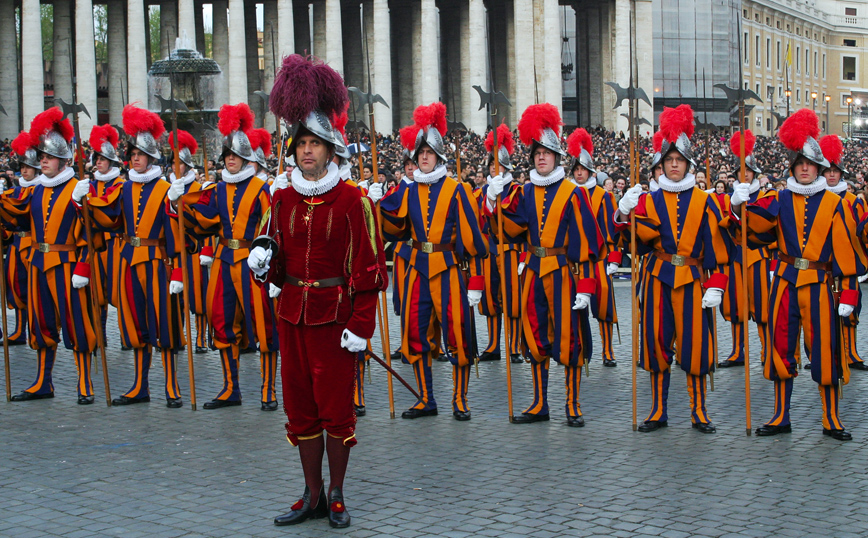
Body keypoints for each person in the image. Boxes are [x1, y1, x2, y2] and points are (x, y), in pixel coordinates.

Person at [250, 54, 387, 529]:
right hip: (292, 315)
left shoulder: (354, 200)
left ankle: (336, 494)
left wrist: (361, 326)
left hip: (335, 320)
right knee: (300, 409)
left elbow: (369, 270)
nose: (307, 151)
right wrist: (263, 266)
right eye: (301, 144)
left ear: (331, 150)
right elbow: (275, 258)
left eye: (316, 144)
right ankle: (309, 493)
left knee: (335, 411)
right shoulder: (281, 196)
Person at [735, 109, 866, 440]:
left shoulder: (836, 206)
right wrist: (740, 207)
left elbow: (846, 255)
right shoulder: (778, 199)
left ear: (820, 167)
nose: (805, 168)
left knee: (826, 351)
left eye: (810, 164)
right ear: (792, 167)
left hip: (821, 286)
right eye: (799, 163)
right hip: (784, 284)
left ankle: (831, 418)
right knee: (780, 348)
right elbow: (755, 232)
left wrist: (849, 295)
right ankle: (781, 415)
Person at [616, 104, 730, 434]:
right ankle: (657, 409)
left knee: (696, 345)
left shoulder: (704, 200)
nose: (675, 165)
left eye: (679, 160)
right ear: (661, 165)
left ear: (688, 164)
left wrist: (717, 284)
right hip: (657, 278)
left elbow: (719, 248)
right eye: (669, 160)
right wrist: (624, 215)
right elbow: (631, 245)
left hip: (694, 279)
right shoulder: (647, 200)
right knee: (655, 343)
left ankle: (699, 410)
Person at [488, 104, 604, 427]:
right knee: (534, 336)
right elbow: (508, 228)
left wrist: (586, 288)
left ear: (557, 157)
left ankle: (572, 403)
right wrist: (493, 201)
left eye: (547, 152)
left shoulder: (573, 193)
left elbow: (587, 245)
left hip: (564, 274)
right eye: (537, 152)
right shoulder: (525, 191)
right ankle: (540, 403)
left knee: (569, 338)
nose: (541, 157)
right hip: (534, 273)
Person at [371, 102, 488, 421]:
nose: (423, 157)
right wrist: (376, 203)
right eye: (419, 153)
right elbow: (394, 229)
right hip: (415, 272)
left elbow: (473, 242)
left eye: (429, 152)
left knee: (458, 333)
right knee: (415, 332)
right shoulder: (406, 191)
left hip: (448, 269)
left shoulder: (457, 190)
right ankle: (426, 397)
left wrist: (475, 284)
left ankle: (460, 398)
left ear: (439, 156)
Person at [169, 103, 279, 411]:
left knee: (263, 324)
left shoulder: (261, 189)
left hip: (252, 262)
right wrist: (180, 202)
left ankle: (269, 389)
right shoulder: (216, 190)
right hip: (222, 260)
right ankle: (231, 388)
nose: (231, 160)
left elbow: (273, 225)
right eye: (227, 155)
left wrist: (266, 251)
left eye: (236, 156)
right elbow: (203, 221)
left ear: (245, 158)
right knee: (222, 321)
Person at [75, 105, 185, 408]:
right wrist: (81, 201)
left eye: (140, 154)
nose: (134, 158)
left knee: (164, 322)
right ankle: (140, 386)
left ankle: (172, 386)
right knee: (134, 324)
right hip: (128, 262)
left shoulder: (165, 189)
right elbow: (107, 218)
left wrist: (177, 272)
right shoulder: (123, 189)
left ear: (151, 157)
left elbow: (175, 232)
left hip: (156, 262)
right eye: (132, 154)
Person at [0, 108, 97, 404]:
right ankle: (44, 381)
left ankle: (84, 382)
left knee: (76, 322)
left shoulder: (76, 188)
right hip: (38, 264)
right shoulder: (37, 189)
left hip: (68, 265)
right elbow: (14, 213)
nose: (42, 160)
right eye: (41, 155)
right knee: (41, 323)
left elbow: (91, 236)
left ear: (64, 161)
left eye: (49, 157)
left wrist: (83, 267)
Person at [566, 127, 620, 367]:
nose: (579, 173)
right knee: (575, 306)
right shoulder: (566, 194)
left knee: (603, 305)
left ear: (590, 172)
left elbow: (610, 228)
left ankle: (607, 350)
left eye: (583, 170)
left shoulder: (603, 195)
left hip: (598, 259)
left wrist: (613, 258)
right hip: (575, 261)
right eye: (576, 169)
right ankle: (579, 348)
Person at [718, 130, 770, 369]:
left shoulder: (766, 196)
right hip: (736, 255)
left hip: (760, 256)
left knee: (763, 307)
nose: (744, 175)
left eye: (748, 171)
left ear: (755, 174)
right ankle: (738, 351)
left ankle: (766, 350)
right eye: (741, 171)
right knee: (735, 306)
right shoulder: (728, 198)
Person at [819, 134, 868, 371]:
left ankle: (852, 354)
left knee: (850, 312)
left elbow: (863, 233)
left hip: (847, 265)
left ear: (841, 174)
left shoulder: (853, 201)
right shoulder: (815, 201)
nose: (831, 174)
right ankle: (828, 354)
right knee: (824, 312)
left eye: (835, 171)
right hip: (823, 267)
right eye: (827, 170)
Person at [475, 124, 523, 364]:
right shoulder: (480, 192)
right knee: (490, 300)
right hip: (489, 252)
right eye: (492, 166)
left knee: (512, 300)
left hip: (511, 251)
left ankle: (514, 346)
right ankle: (493, 345)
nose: (495, 169)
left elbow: (518, 221)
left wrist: (496, 200)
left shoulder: (516, 190)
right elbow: (477, 221)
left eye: (499, 166)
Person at [168, 129, 210, 355]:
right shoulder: (169, 189)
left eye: (180, 164)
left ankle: (201, 337)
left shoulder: (198, 189)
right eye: (173, 163)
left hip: (195, 250)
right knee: (176, 297)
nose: (176, 168)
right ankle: (178, 335)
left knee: (199, 296)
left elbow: (206, 221)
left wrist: (208, 250)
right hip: (175, 251)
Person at [86, 124, 125, 345]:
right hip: (96, 245)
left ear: (111, 162)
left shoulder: (120, 184)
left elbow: (110, 208)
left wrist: (88, 201)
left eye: (102, 159)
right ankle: (99, 333)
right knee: (96, 290)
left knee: (119, 290)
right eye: (96, 159)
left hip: (115, 244)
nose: (98, 162)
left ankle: (124, 333)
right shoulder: (90, 185)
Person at [4, 130, 42, 346]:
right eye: (22, 167)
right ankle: (19, 330)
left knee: (35, 289)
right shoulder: (15, 191)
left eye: (28, 167)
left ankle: (37, 330)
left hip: (34, 244)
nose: (25, 171)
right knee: (16, 287)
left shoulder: (40, 190)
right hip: (16, 243)